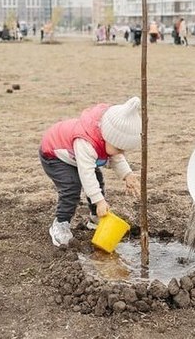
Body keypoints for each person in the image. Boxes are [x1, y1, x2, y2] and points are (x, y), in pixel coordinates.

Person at [39, 96, 142, 247]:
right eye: (119, 148)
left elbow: (116, 157)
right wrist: (100, 201)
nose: (122, 152)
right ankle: (60, 224)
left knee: (98, 181)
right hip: (54, 154)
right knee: (71, 187)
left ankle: (96, 217)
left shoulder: (107, 137)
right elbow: (86, 174)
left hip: (75, 156)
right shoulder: (86, 142)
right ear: (107, 136)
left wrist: (127, 175)